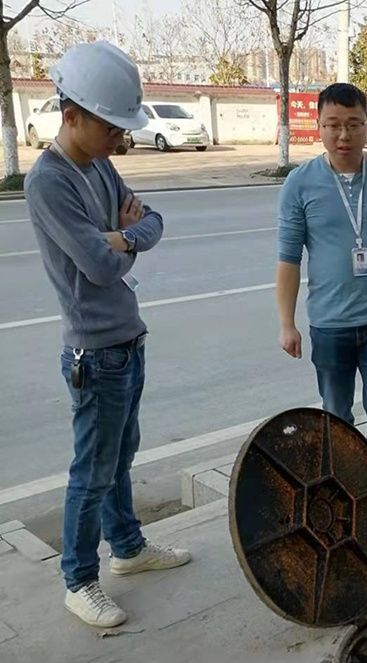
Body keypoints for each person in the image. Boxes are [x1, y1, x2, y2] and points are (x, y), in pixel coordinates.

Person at [24, 42, 191, 629]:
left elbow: (153, 222)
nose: (120, 139)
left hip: (127, 338)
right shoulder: (49, 182)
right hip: (93, 352)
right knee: (91, 472)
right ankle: (78, 580)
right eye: (111, 127)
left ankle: (128, 548)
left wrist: (121, 238)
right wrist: (120, 243)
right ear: (71, 115)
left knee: (121, 457)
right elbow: (98, 268)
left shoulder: (99, 164)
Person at [276, 83, 367, 529]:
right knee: (337, 419)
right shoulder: (300, 183)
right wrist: (287, 323)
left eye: (354, 124)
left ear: (366, 124)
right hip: (329, 324)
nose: (344, 135)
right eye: (334, 125)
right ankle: (344, 501)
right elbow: (288, 258)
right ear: (319, 126)